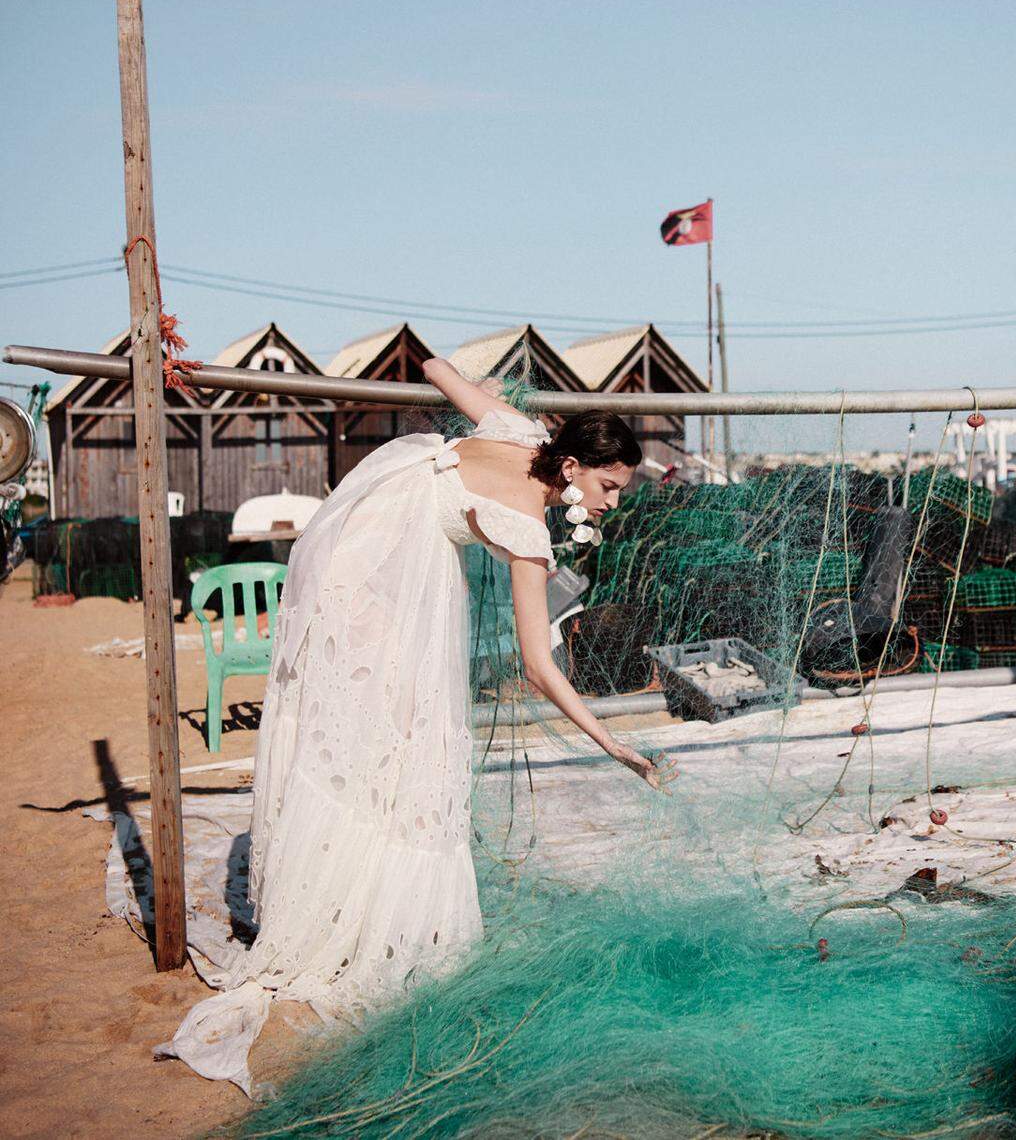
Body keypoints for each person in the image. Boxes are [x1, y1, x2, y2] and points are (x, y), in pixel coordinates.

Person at [156, 359, 675, 1091]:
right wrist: (609, 739)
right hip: (367, 581)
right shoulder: (526, 528)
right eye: (609, 487)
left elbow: (433, 366)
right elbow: (537, 662)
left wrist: (493, 399)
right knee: (393, 742)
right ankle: (348, 908)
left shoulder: (511, 426)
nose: (613, 502)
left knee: (372, 740)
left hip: (344, 538)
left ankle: (344, 885)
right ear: (571, 467)